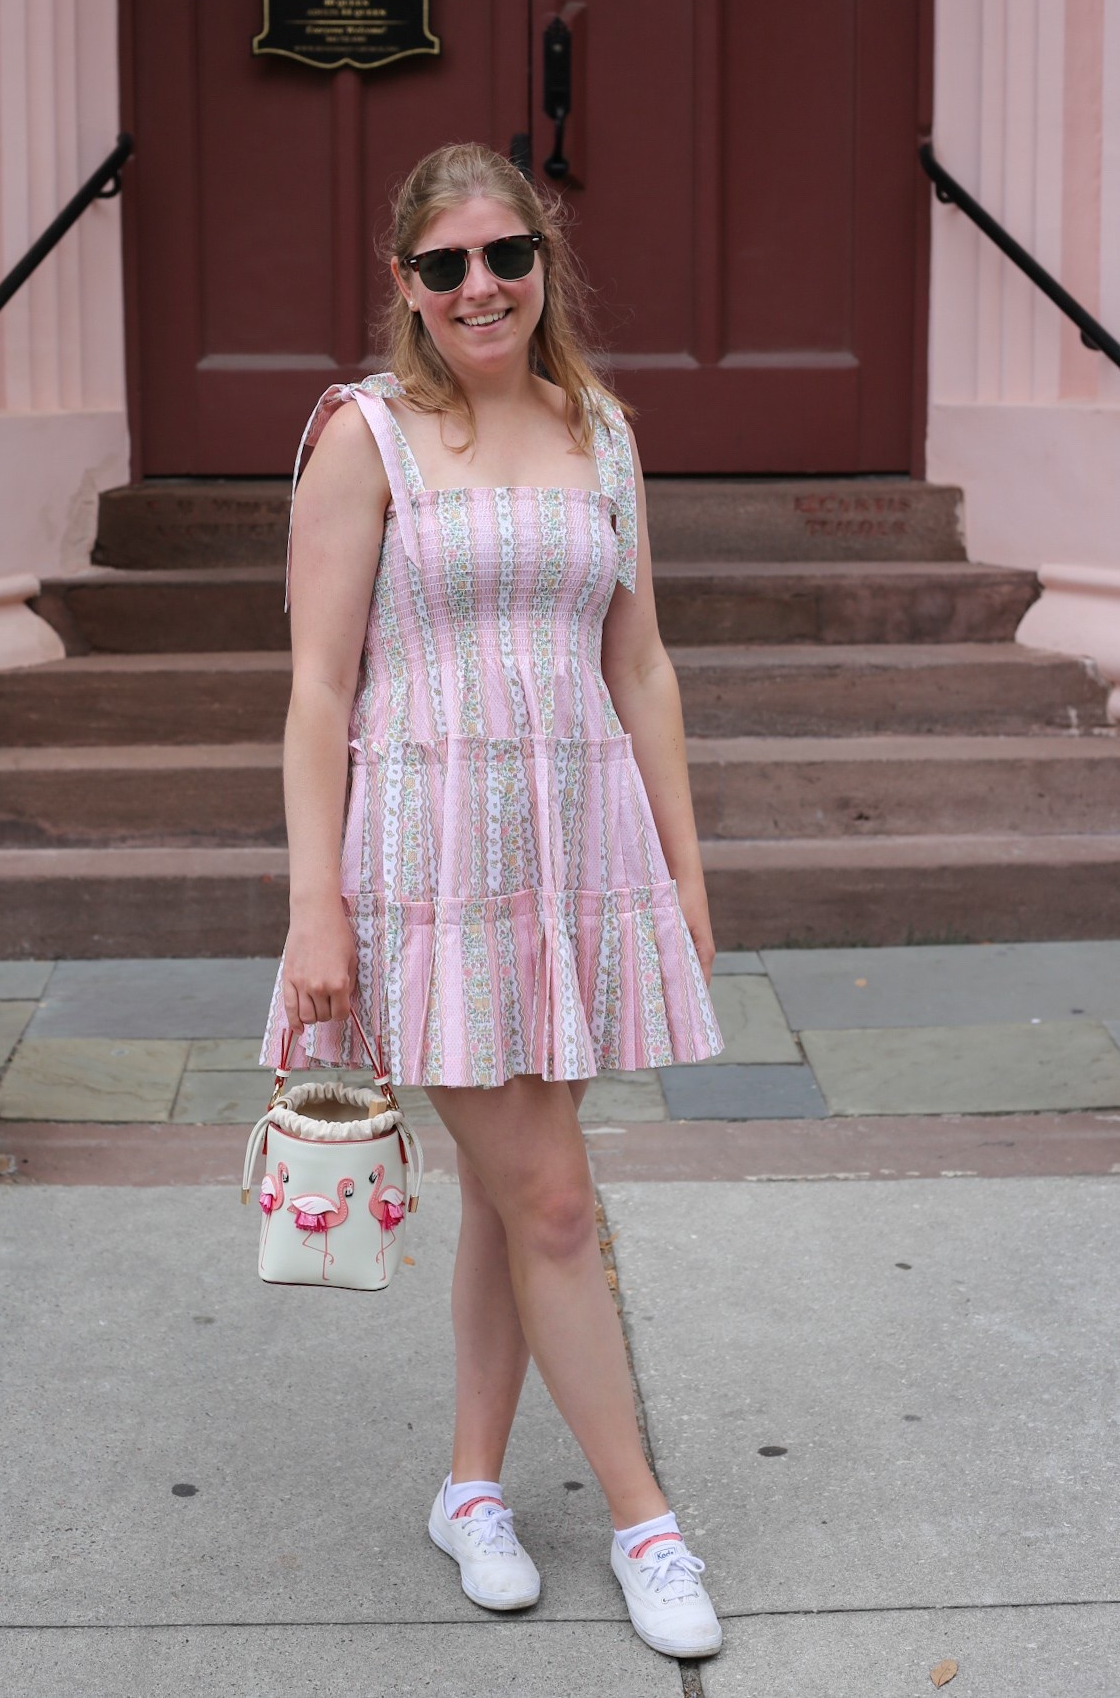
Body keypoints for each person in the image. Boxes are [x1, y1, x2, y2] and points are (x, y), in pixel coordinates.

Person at [259, 142, 725, 1661]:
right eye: (447, 264)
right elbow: (318, 688)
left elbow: (639, 665)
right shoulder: (365, 437)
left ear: (544, 263)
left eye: (506, 256)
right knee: (556, 1200)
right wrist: (315, 906)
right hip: (428, 867)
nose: (481, 287)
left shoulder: (601, 430)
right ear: (404, 283)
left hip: (577, 859)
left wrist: (682, 873)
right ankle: (645, 1521)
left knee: (510, 1197)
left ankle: (471, 1488)